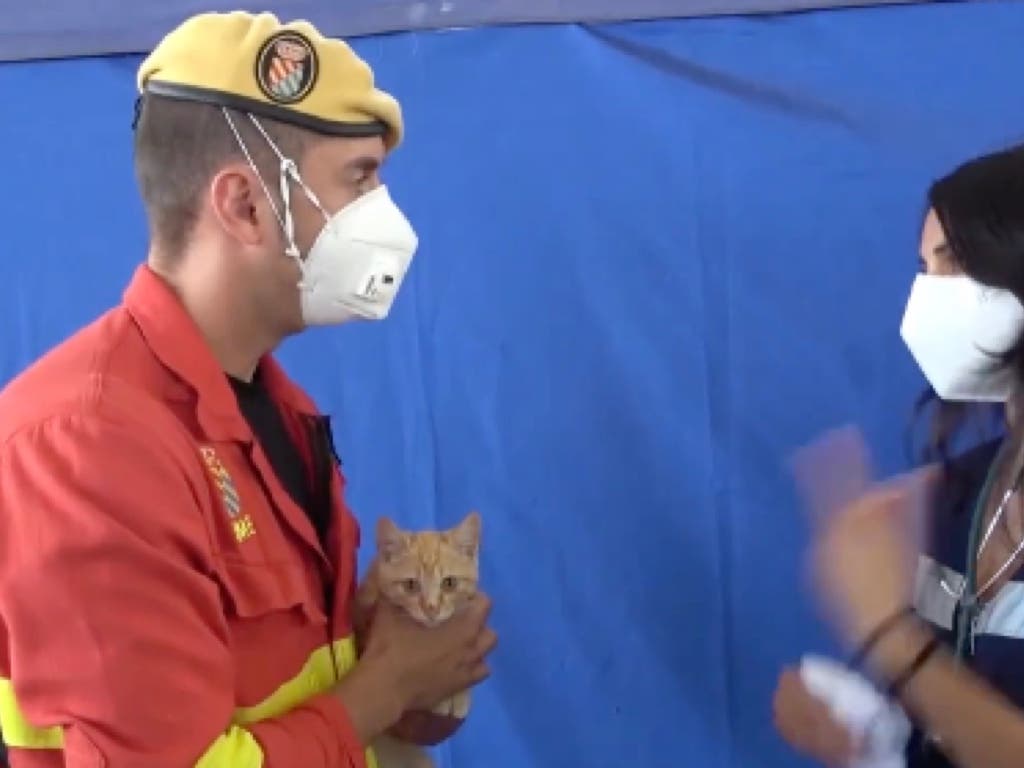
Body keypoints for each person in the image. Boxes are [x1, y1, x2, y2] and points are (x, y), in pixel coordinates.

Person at [0, 11, 497, 768]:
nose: (387, 218)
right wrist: (388, 685)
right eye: (359, 179)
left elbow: (301, 687)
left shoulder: (278, 415)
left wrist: (418, 676)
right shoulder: (90, 445)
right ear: (244, 206)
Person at [773, 143, 1024, 768]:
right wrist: (873, 736)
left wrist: (889, 635)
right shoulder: (956, 497)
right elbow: (963, 703)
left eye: (953, 262)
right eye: (923, 266)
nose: (927, 295)